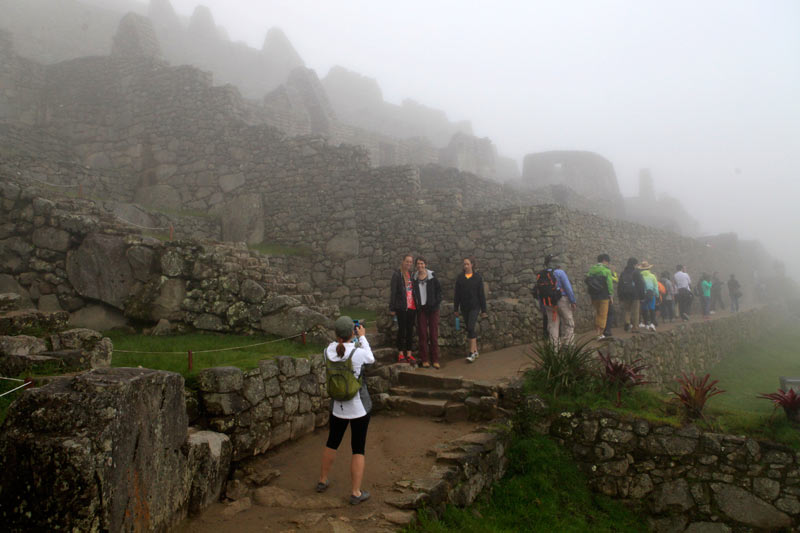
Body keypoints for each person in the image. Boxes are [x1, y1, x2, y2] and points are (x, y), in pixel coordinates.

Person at [318, 316, 375, 505]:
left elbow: (337, 347)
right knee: (358, 448)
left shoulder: (328, 351)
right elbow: (371, 358)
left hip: (337, 407)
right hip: (358, 407)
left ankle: (322, 480)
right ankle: (356, 492)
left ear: (336, 334)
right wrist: (363, 337)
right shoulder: (357, 353)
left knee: (332, 442)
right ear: (353, 332)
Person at [535, 254, 576, 346]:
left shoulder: (541, 274)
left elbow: (539, 292)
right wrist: (573, 301)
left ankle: (554, 351)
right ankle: (569, 347)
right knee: (569, 323)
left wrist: (542, 306)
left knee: (553, 326)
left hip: (548, 303)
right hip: (562, 300)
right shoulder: (560, 272)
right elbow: (568, 288)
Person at [453, 257, 487, 363]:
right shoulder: (460, 278)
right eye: (464, 264)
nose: (465, 266)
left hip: (475, 307)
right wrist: (456, 308)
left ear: (472, 265)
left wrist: (484, 310)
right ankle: (476, 351)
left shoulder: (477, 278)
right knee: (469, 328)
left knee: (471, 327)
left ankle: (471, 353)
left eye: (467, 264)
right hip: (464, 307)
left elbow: (481, 294)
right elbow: (457, 294)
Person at [412, 256, 442, 369]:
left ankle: (435, 359)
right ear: (416, 265)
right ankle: (425, 359)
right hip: (421, 310)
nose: (420, 266)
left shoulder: (432, 277)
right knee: (423, 334)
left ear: (425, 264)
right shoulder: (414, 278)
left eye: (422, 263)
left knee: (433, 334)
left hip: (433, 309)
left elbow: (439, 291)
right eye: (418, 264)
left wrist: (436, 303)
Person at [388, 254, 417, 364]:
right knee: (402, 330)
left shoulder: (412, 275)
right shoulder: (397, 275)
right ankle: (400, 353)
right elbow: (393, 292)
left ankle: (409, 353)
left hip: (412, 307)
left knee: (410, 331)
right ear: (403, 261)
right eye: (407, 261)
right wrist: (392, 307)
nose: (409, 264)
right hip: (401, 307)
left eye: (410, 262)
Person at [585, 254, 614, 340]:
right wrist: (611, 295)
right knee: (603, 314)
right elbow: (609, 284)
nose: (608, 264)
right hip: (604, 295)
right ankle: (600, 334)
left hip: (594, 295)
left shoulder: (592, 269)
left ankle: (597, 332)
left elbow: (587, 279)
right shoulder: (606, 270)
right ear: (604, 260)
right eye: (608, 262)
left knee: (598, 313)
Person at [618, 257, 645, 333]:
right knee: (635, 311)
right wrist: (642, 296)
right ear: (634, 264)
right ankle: (635, 328)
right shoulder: (636, 272)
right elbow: (641, 284)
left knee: (627, 310)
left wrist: (620, 296)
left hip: (625, 294)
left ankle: (627, 322)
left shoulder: (623, 273)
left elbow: (620, 285)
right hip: (635, 294)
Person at [637, 261, 658, 331]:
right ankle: (652, 323)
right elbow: (655, 286)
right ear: (649, 268)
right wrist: (657, 294)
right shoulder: (652, 276)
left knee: (644, 309)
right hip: (651, 293)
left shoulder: (639, 276)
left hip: (642, 294)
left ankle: (646, 324)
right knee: (652, 308)